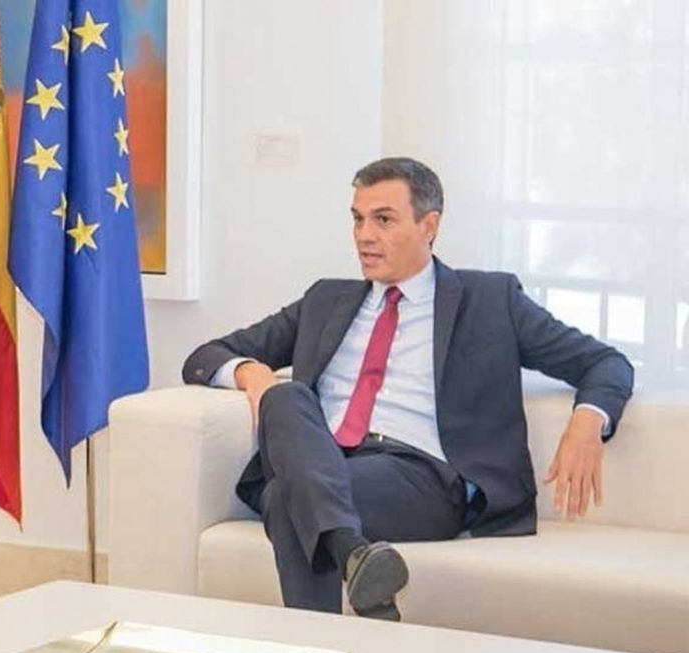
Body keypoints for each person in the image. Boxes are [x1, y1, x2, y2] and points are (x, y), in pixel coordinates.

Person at [183, 158, 633, 620]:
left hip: (421, 478)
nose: (363, 235)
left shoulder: (490, 301)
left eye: (383, 219)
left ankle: (329, 624)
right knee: (285, 399)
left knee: (284, 499)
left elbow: (605, 362)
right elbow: (204, 357)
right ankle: (357, 561)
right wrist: (252, 375)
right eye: (357, 219)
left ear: (429, 225)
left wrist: (587, 421)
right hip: (326, 461)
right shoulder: (325, 300)